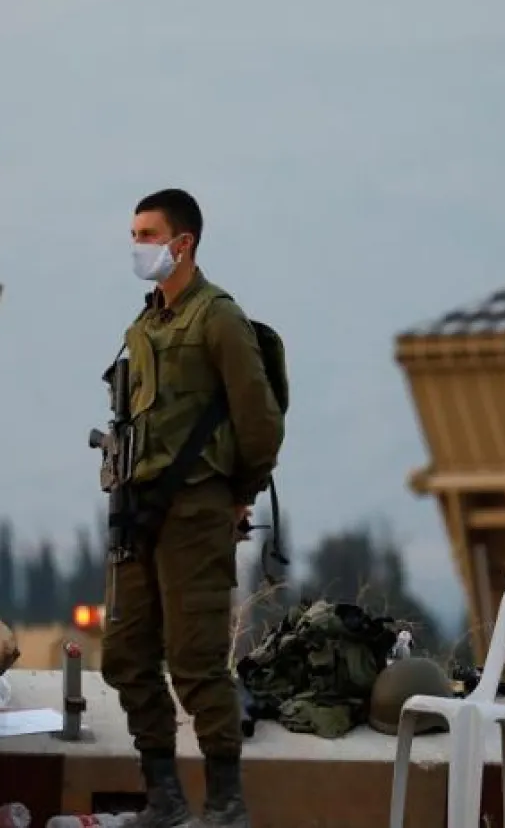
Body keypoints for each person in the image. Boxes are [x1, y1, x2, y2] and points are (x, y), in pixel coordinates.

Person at [100, 188, 285, 828]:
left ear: (184, 243)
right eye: (134, 234)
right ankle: (164, 799)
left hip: (197, 513)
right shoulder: (148, 324)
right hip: (140, 511)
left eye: (148, 234)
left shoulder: (218, 319)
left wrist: (240, 495)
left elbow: (259, 421)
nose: (137, 246)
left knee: (197, 662)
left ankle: (227, 806)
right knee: (125, 656)